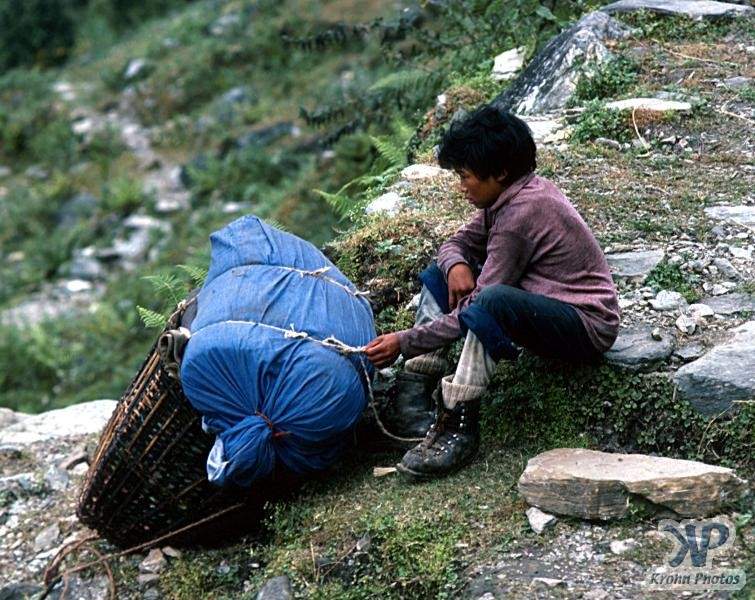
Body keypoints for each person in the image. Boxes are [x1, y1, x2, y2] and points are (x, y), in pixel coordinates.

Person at [364, 105, 620, 481]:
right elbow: (455, 244)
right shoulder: (505, 197)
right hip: (541, 302)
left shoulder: (521, 215)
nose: (461, 185)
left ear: (498, 172)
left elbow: (474, 311)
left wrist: (404, 342)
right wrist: (456, 266)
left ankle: (458, 424)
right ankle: (414, 389)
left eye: (465, 176)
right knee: (443, 274)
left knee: (489, 303)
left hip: (584, 324)